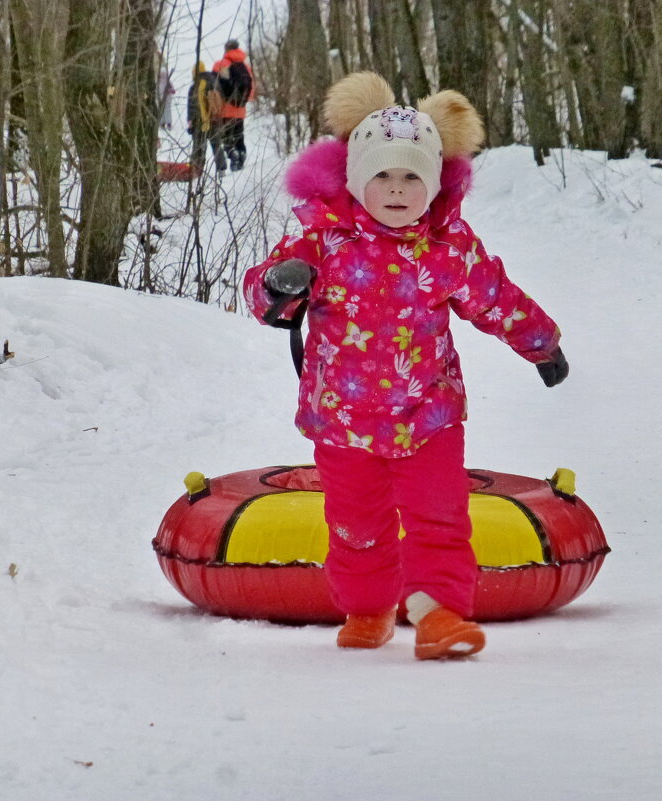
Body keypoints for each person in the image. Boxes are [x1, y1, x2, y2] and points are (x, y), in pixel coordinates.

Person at [242, 73, 569, 661]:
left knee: (440, 519)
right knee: (356, 528)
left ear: (435, 184)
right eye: (383, 176)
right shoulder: (323, 242)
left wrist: (541, 342)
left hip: (428, 415)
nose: (397, 190)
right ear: (356, 180)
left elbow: (496, 297)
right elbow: (263, 299)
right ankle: (368, 609)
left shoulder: (448, 245)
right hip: (343, 419)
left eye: (412, 177)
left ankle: (438, 615)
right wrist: (277, 287)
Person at [212, 39, 254, 171]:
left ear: (226, 49)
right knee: (239, 136)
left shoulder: (220, 64)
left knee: (227, 138)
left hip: (225, 110)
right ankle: (241, 155)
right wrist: (243, 102)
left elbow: (213, 88)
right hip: (240, 110)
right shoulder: (246, 67)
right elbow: (252, 89)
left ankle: (232, 154)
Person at [186, 61, 226, 174]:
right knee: (217, 145)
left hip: (200, 122)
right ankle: (222, 169)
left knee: (198, 147)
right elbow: (222, 99)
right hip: (215, 120)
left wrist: (190, 121)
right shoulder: (214, 81)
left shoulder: (195, 86)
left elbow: (192, 106)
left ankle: (196, 170)